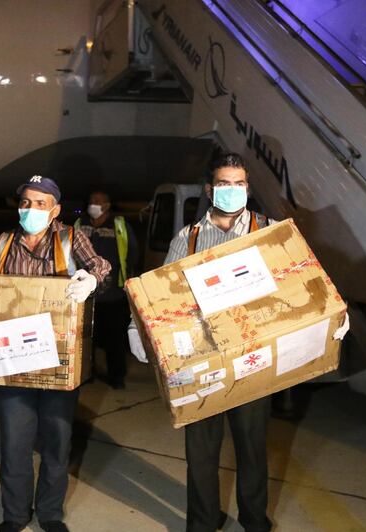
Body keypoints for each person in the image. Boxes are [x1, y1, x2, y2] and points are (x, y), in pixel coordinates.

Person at [129, 153, 275, 532]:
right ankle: (203, 522)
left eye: (239, 183)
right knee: (202, 451)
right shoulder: (188, 238)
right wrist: (137, 329)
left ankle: (255, 520)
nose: (232, 190)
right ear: (210, 189)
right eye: (224, 183)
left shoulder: (268, 230)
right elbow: (160, 292)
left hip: (252, 353)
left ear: (248, 187)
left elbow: (299, 279)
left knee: (252, 447)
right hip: (202, 356)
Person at [0, 175, 110, 532]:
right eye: (25, 203)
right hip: (13, 360)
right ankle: (15, 514)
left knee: (56, 442)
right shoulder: (3, 243)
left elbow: (101, 265)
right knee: (15, 444)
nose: (31, 209)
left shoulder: (69, 237)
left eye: (40, 203)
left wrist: (92, 280)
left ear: (55, 210)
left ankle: (50, 513)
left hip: (57, 361)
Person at [74, 190, 138, 388]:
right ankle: (86, 374)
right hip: (85, 294)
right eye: (92, 200)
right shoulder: (79, 225)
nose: (94, 204)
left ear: (107, 205)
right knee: (85, 339)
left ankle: (116, 376)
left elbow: (132, 253)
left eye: (99, 201)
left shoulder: (119, 225)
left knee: (115, 339)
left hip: (113, 294)